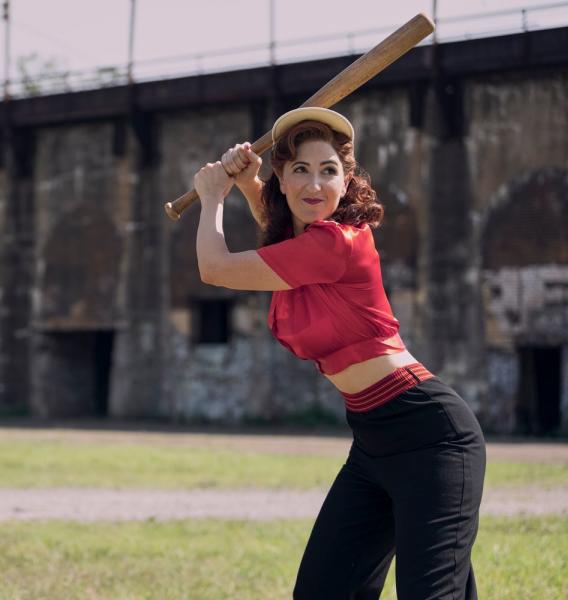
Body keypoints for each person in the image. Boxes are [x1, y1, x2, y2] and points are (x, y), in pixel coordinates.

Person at [194, 107, 486, 599]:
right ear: (282, 181)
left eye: (328, 170)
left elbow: (215, 268)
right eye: (300, 171)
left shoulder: (338, 244)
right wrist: (248, 186)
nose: (315, 184)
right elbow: (280, 234)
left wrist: (211, 197)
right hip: (372, 441)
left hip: (430, 435)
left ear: (346, 180)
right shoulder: (306, 248)